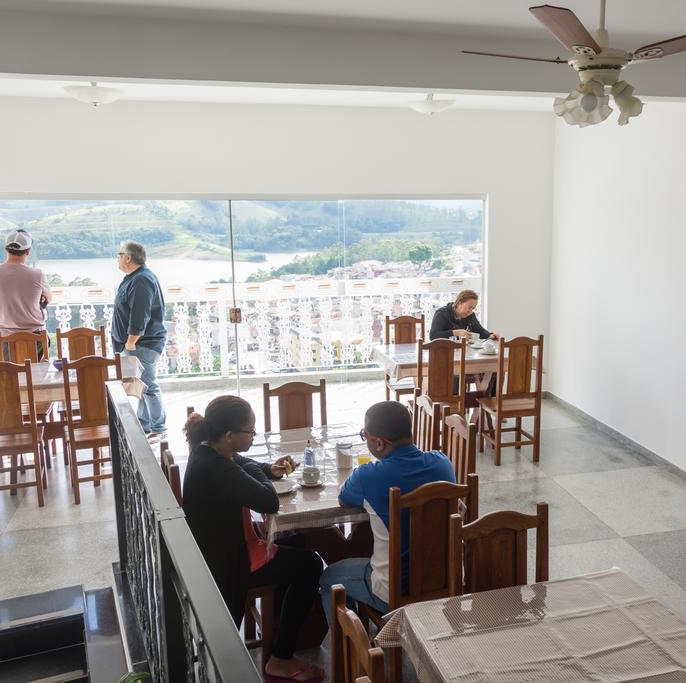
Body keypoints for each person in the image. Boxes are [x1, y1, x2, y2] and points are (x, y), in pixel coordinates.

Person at [183, 396, 325, 683]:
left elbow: (243, 463)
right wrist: (255, 473)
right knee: (310, 565)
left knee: (295, 542)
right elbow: (268, 500)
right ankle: (281, 658)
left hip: (221, 549)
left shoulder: (208, 451)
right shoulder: (219, 468)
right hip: (228, 566)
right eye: (250, 431)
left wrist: (268, 470)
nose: (254, 435)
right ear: (230, 436)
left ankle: (280, 629)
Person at [319, 401, 455, 619]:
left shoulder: (368, 476)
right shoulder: (442, 463)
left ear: (379, 444)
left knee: (328, 579)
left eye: (365, 435)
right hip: (444, 580)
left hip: (394, 589)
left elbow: (344, 498)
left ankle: (353, 649)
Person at [111, 241, 167, 443]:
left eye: (119, 254)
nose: (117, 258)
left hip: (143, 343)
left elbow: (140, 315)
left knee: (148, 385)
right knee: (141, 385)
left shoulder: (141, 280)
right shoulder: (133, 278)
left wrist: (131, 341)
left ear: (128, 258)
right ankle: (145, 425)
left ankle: (159, 428)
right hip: (136, 343)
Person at [0, 229, 53, 359]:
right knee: (36, 377)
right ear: (28, 251)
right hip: (35, 338)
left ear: (6, 249)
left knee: (7, 378)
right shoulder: (37, 275)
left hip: (3, 338)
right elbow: (48, 298)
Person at [429, 289, 500, 341]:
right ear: (459, 303)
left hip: (463, 352)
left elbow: (480, 331)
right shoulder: (442, 313)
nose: (470, 311)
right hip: (443, 352)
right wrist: (455, 333)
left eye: (473, 308)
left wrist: (490, 335)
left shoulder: (470, 315)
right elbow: (433, 336)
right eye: (469, 307)